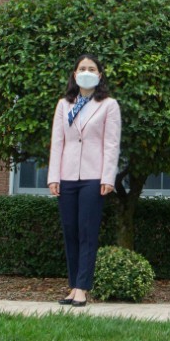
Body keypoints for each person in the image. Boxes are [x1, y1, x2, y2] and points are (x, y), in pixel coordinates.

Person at [47, 54, 121, 307]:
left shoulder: (109, 105)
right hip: (67, 176)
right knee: (70, 231)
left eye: (92, 68)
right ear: (75, 74)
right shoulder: (63, 105)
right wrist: (53, 176)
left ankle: (82, 287)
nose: (86, 72)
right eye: (82, 68)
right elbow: (58, 142)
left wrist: (108, 177)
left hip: (93, 176)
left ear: (99, 75)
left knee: (87, 231)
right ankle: (72, 285)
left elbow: (111, 144)